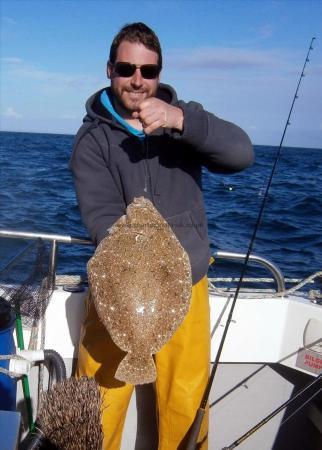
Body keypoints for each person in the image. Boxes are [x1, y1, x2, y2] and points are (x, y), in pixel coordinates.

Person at [70, 22, 253, 450]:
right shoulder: (92, 141)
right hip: (117, 289)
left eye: (148, 71)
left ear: (160, 72)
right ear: (110, 69)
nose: (137, 80)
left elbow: (242, 154)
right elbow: (100, 216)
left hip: (184, 286)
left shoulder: (184, 121)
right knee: (95, 400)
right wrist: (137, 267)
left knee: (185, 402)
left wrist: (182, 121)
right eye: (126, 68)